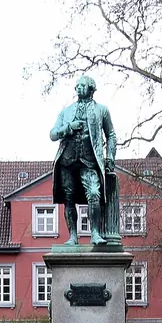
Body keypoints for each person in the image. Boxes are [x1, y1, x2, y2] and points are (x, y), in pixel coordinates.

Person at [50, 75, 117, 245]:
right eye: (77, 85)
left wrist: (110, 157)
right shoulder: (66, 111)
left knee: (94, 193)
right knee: (69, 198)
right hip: (67, 161)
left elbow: (111, 135)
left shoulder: (102, 110)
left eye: (82, 85)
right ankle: (73, 236)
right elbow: (53, 134)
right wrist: (68, 128)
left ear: (91, 89)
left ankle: (94, 233)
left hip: (89, 161)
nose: (78, 88)